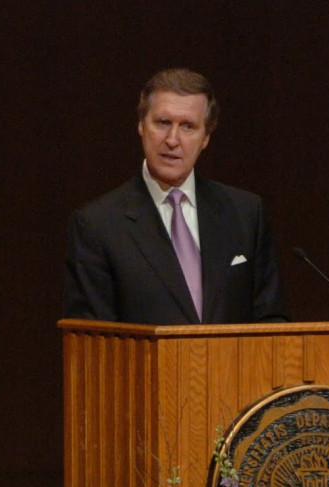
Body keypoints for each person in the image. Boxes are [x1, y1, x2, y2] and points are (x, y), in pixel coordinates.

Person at [63, 68, 289, 324]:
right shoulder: (97, 225)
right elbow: (93, 342)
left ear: (206, 137)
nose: (172, 140)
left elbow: (272, 322)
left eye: (188, 127)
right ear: (140, 125)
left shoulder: (246, 213)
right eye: (163, 123)